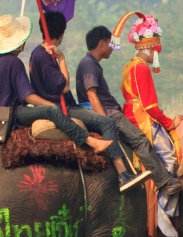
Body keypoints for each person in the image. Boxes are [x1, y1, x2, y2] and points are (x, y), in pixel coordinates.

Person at [29, 10, 149, 191]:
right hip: (64, 107)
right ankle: (123, 174)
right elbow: (64, 87)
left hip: (65, 104)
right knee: (108, 123)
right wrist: (61, 58)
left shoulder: (36, 54)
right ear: (61, 32)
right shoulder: (46, 56)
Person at [0, 13, 113, 155]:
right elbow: (28, 97)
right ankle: (90, 141)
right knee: (52, 111)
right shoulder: (14, 62)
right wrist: (50, 106)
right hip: (13, 113)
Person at [76, 25, 180, 193]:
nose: (111, 48)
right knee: (140, 140)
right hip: (110, 114)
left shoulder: (92, 63)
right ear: (102, 43)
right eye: (110, 43)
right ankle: (165, 182)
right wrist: (105, 121)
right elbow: (92, 95)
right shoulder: (89, 64)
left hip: (112, 111)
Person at [119, 14, 183, 188]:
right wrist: (170, 122)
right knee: (170, 155)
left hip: (129, 114)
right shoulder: (142, 69)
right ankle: (165, 192)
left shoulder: (129, 66)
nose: (156, 54)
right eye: (155, 50)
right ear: (148, 47)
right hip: (141, 118)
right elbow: (151, 107)